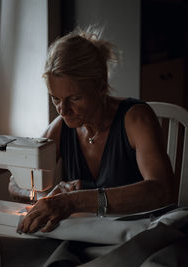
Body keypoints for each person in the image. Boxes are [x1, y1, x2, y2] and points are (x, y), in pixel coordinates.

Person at [14, 27, 176, 234]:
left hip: (141, 233)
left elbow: (161, 190)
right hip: (90, 235)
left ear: (100, 86)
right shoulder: (60, 128)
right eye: (55, 98)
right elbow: (15, 181)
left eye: (74, 98)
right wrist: (43, 196)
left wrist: (74, 201)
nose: (63, 110)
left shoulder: (136, 119)